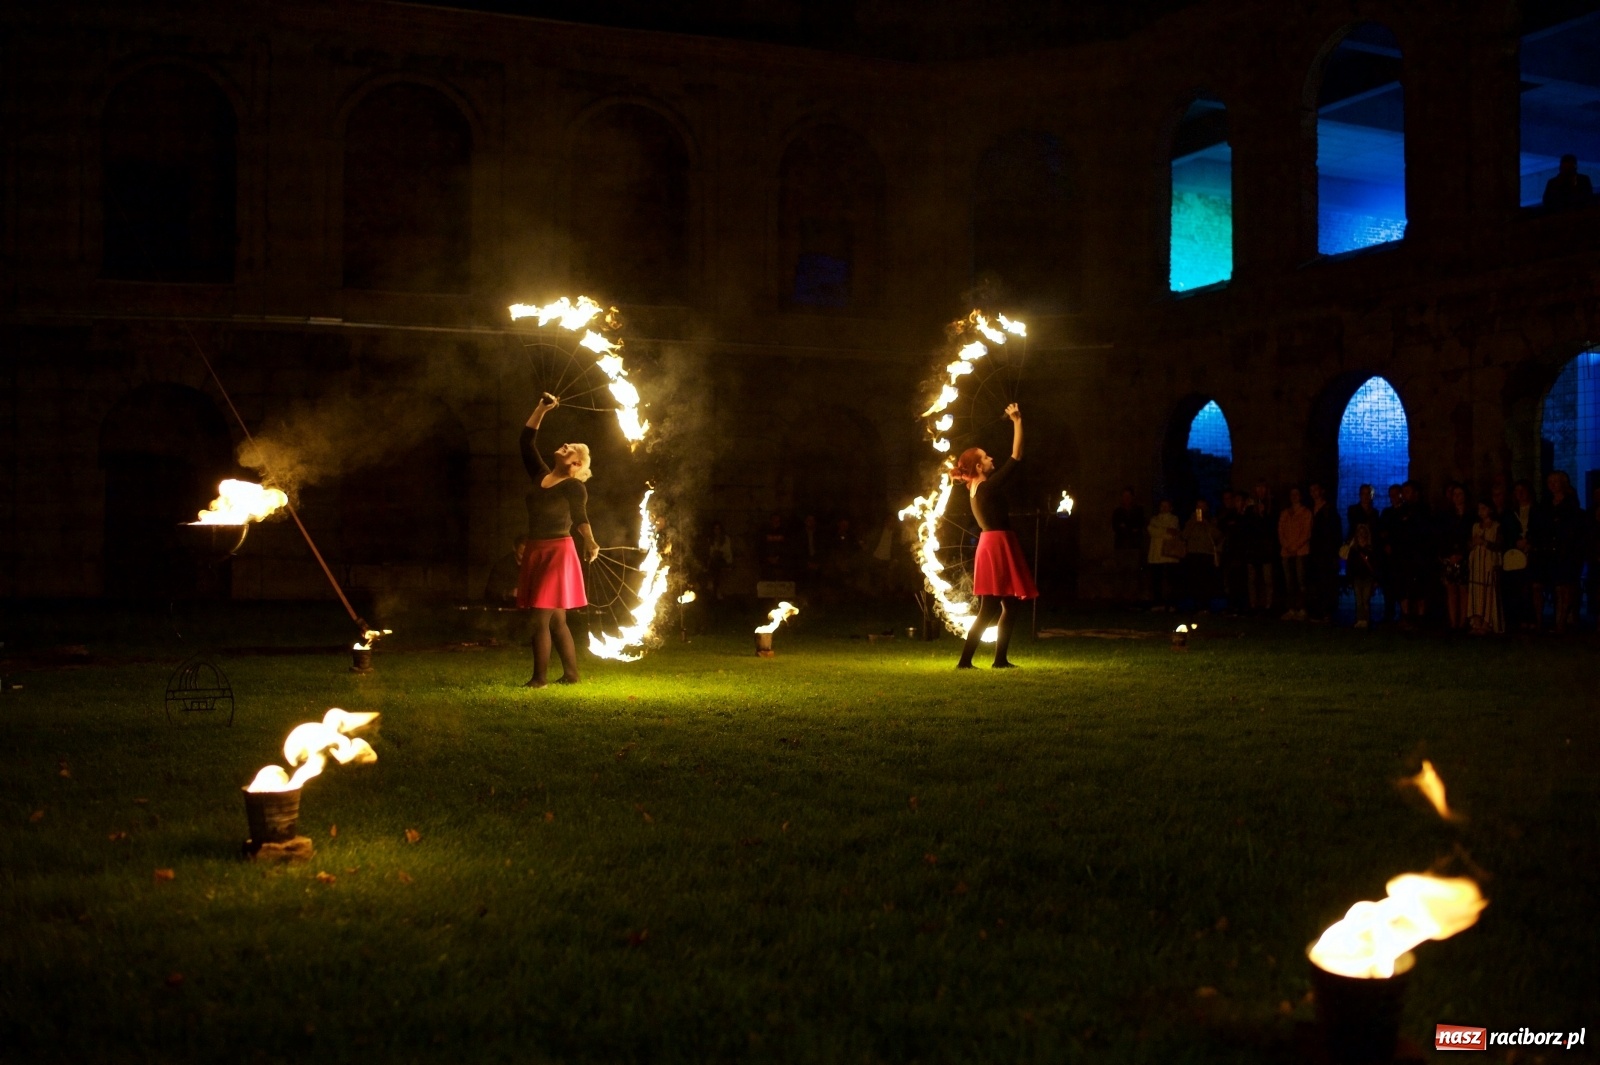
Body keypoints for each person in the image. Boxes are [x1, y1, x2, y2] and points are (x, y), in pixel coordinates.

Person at [517, 394, 599, 688]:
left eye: (571, 449)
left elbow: (580, 516)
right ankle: (572, 675)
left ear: (575, 464)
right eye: (566, 444)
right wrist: (541, 408)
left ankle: (539, 679)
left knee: (540, 618)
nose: (565, 446)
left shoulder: (574, 486)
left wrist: (590, 541)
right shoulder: (540, 475)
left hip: (557, 553)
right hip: (538, 549)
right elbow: (526, 442)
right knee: (556, 621)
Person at [951, 403, 1037, 669]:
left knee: (1008, 605)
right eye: (987, 458)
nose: (992, 460)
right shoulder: (986, 487)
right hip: (997, 544)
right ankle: (966, 661)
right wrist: (1017, 420)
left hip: (994, 544)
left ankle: (999, 660)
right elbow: (1017, 456)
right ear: (978, 465)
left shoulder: (974, 488)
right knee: (989, 608)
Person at [1546, 471, 1585, 634]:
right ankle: (1559, 621)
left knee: (1566, 587)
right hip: (1554, 551)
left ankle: (1563, 622)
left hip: (1568, 551)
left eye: (1556, 481)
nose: (1552, 485)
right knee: (1557, 588)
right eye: (1550, 482)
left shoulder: (1570, 504)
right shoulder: (1548, 504)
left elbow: (1573, 528)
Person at [1437, 483, 1474, 632]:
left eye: (1460, 494)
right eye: (1455, 494)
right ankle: (1453, 622)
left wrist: (1463, 553)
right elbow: (1442, 536)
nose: (1457, 497)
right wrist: (1448, 555)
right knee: (1451, 589)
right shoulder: (1446, 515)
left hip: (1464, 556)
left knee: (1463, 589)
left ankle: (1462, 621)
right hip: (1450, 556)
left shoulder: (1471, 515)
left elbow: (1471, 536)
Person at [1503, 480, 1538, 630]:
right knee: (1517, 587)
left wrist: (1530, 542)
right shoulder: (1510, 513)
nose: (1520, 494)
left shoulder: (1537, 510)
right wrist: (1515, 542)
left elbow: (1542, 529)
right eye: (1517, 491)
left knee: (1531, 587)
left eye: (1522, 490)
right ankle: (1519, 619)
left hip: (1533, 554)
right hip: (1516, 555)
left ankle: (1533, 619)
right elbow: (1506, 532)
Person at [1467, 500, 1504, 635]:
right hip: (1477, 565)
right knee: (1477, 592)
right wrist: (1473, 543)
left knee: (1488, 593)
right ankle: (1476, 621)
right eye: (1479, 508)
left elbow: (1499, 546)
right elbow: (1470, 544)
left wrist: (1484, 542)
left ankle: (1487, 622)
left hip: (1488, 564)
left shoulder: (1496, 526)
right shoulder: (1476, 526)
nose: (1481, 511)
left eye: (1484, 508)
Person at [1307, 482, 1342, 621]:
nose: (1314, 493)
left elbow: (1335, 532)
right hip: (1313, 551)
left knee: (1326, 581)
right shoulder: (1310, 509)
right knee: (1315, 582)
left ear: (1322, 491)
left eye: (1316, 489)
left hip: (1326, 551)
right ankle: (1316, 610)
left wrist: (1334, 552)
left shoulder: (1329, 510)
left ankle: (1327, 611)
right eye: (1311, 490)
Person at [1181, 498, 1222, 612]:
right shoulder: (1190, 520)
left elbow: (1217, 535)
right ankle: (1195, 605)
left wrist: (1206, 524)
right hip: (1193, 554)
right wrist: (1193, 523)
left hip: (1206, 554)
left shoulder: (1212, 520)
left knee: (1206, 581)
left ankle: (1206, 605)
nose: (1201, 509)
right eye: (1198, 507)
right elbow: (1184, 535)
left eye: (1203, 506)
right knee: (1195, 581)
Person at [1278, 486, 1311, 620]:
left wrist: (1295, 546)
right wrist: (1287, 545)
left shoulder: (1306, 513)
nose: (1294, 496)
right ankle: (1291, 608)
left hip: (1301, 552)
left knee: (1301, 581)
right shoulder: (1285, 513)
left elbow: (1306, 532)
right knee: (1289, 582)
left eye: (1296, 494)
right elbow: (1280, 531)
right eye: (1292, 494)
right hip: (1287, 552)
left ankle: (1302, 608)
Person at [1246, 481, 1277, 615]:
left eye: (1263, 487)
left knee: (1267, 579)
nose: (1260, 490)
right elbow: (1247, 525)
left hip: (1266, 548)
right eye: (1258, 487)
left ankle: (1268, 605)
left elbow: (1272, 527)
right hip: (1253, 548)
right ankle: (1253, 605)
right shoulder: (1250, 507)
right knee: (1252, 579)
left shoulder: (1272, 506)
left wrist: (1264, 514)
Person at [1111, 488, 1146, 603]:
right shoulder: (1118, 511)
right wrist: (1127, 528)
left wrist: (1128, 528)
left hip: (1134, 545)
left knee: (1133, 572)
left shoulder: (1138, 510)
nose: (1126, 499)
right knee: (1120, 571)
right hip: (1121, 546)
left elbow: (1139, 525)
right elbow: (1116, 526)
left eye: (1128, 496)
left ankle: (1132, 597)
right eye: (1124, 496)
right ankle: (1119, 597)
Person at [1146, 499, 1181, 611]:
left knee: (1170, 581)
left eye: (1166, 506)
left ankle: (1170, 604)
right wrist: (1165, 530)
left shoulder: (1174, 519)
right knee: (1157, 580)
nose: (1164, 508)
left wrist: (1159, 530)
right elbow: (1151, 530)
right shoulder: (1154, 519)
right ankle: (1158, 603)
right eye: (1162, 506)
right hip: (1156, 555)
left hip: (1169, 555)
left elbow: (1172, 533)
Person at [1378, 484, 1405, 623]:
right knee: (1388, 587)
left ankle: (1403, 614)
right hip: (1388, 557)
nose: (1393, 498)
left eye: (1396, 494)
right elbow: (1381, 532)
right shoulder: (1387, 512)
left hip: (1400, 556)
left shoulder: (1406, 512)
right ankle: (1389, 613)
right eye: (1391, 495)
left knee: (1400, 586)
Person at [1347, 523, 1379, 629]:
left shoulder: (1370, 549)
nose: (1361, 536)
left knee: (1365, 600)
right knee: (1359, 600)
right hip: (1357, 578)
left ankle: (1365, 620)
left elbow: (1375, 565)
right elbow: (1350, 565)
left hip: (1367, 578)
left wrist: (1375, 580)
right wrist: (1350, 579)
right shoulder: (1353, 550)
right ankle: (1360, 619)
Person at [705, 520, 733, 606]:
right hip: (714, 562)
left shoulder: (726, 539)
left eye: (718, 529)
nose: (717, 530)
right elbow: (710, 552)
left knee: (717, 564)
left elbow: (727, 552)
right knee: (714, 564)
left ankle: (716, 590)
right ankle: (715, 591)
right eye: (715, 529)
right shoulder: (710, 539)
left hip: (723, 560)